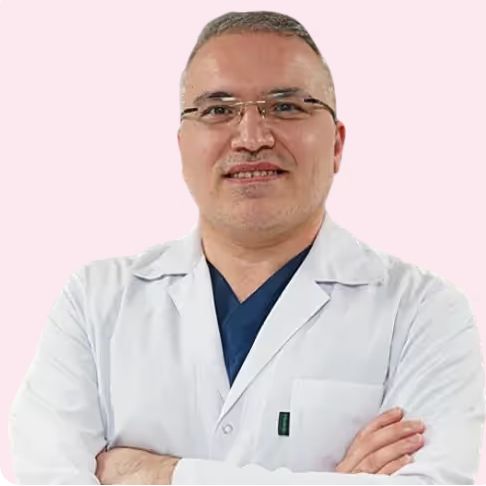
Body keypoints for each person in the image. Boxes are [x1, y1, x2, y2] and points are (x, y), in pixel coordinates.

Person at [9, 10, 484, 485]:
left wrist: (158, 474)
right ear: (182, 147)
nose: (252, 138)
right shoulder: (95, 302)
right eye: (218, 110)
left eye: (286, 107)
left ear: (337, 145)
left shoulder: (422, 311)